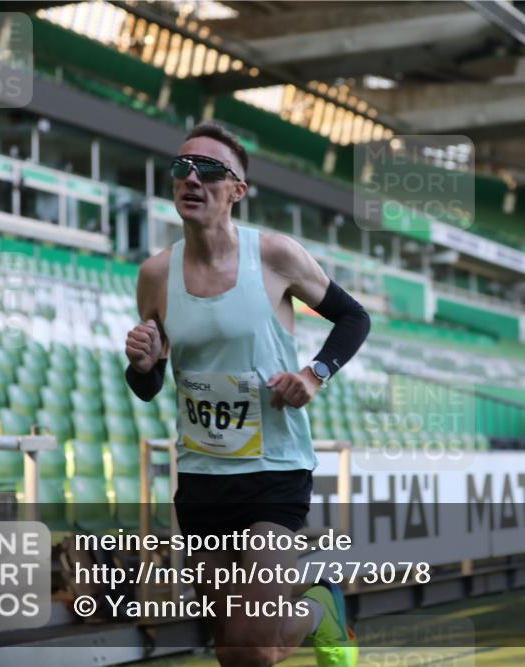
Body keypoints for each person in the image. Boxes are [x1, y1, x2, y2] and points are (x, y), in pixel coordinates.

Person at [124, 122, 369, 667]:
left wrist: (313, 375)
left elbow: (354, 317)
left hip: (273, 473)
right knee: (234, 652)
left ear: (237, 190)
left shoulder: (275, 257)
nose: (192, 178)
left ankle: (320, 610)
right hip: (203, 480)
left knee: (255, 646)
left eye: (209, 170)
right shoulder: (156, 275)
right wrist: (141, 365)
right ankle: (321, 609)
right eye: (181, 168)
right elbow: (148, 385)